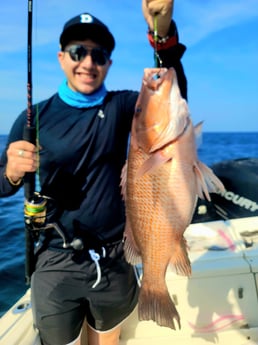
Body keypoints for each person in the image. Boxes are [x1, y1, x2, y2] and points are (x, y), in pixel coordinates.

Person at [0, 1, 187, 344]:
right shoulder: (35, 118)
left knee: (107, 340)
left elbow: (170, 95)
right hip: (56, 259)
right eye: (77, 52)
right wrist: (11, 172)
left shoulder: (122, 107)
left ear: (108, 64)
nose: (88, 62)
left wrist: (162, 32)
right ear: (61, 58)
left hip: (115, 257)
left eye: (98, 55)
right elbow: (2, 184)